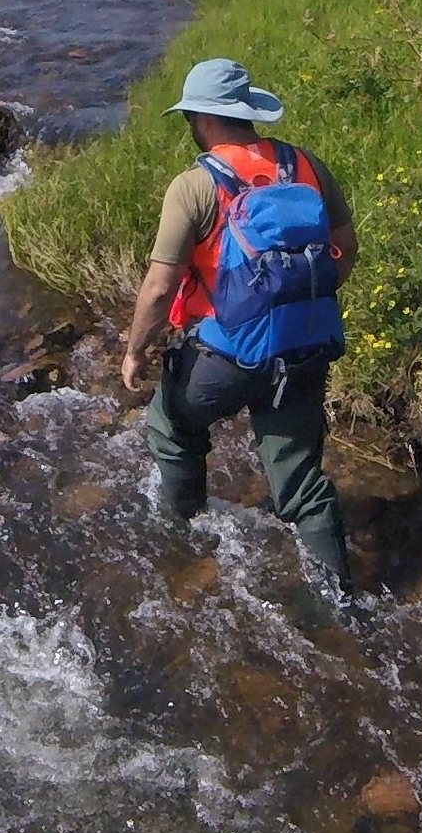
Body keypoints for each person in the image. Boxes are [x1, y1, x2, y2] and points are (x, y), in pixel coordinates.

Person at [119, 56, 359, 594]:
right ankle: (341, 604)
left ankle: (185, 536)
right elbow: (347, 252)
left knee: (172, 427)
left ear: (203, 120)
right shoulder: (307, 167)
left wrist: (136, 351)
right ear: (248, 113)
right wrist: (298, 304)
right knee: (301, 483)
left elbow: (159, 289)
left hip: (224, 358)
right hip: (305, 350)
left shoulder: (194, 186)